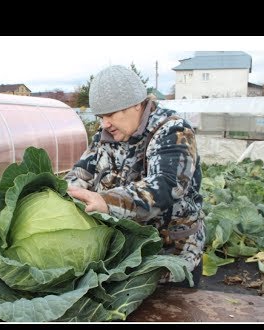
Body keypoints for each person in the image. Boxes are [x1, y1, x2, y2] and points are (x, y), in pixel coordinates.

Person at [65, 65, 205, 286]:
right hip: (125, 256)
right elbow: (81, 174)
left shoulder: (173, 131)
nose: (104, 124)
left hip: (169, 259)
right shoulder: (105, 137)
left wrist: (106, 201)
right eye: (101, 116)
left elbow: (165, 186)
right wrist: (61, 195)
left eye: (110, 114)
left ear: (137, 104)